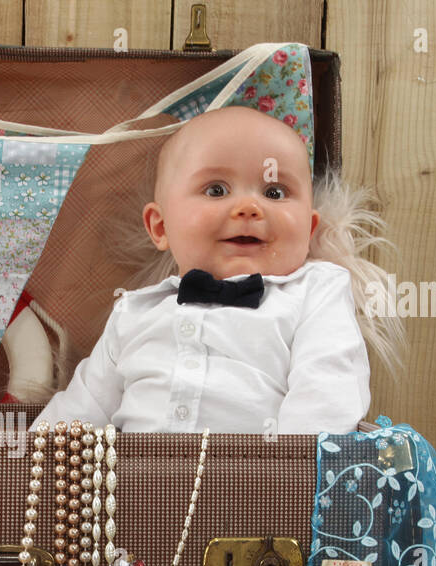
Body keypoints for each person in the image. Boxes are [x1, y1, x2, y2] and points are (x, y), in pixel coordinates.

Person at [34, 105, 401, 434]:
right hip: (132, 497)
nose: (248, 207)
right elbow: (80, 410)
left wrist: (287, 482)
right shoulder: (134, 311)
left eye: (274, 192)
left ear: (308, 230)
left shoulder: (315, 292)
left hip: (258, 494)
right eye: (216, 190)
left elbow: (326, 394)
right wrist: (23, 471)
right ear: (160, 227)